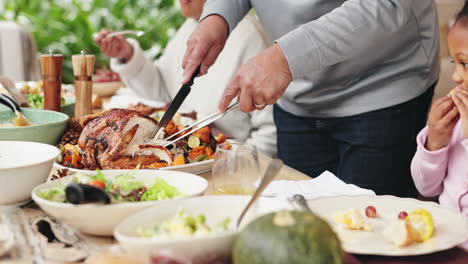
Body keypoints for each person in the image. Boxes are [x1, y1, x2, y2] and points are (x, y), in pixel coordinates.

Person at [181, 0, 439, 197]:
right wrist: (217, 15)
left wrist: (286, 57)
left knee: (372, 232)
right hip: (297, 94)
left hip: (384, 84)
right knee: (303, 225)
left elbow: (387, 6)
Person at [94, 0, 277, 157]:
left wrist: (232, 163)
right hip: (184, 152)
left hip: (225, 161)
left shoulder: (251, 37)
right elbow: (163, 89)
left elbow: (270, 133)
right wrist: (127, 55)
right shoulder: (191, 26)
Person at [411, 2, 468, 250]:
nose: (455, 77)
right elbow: (426, 186)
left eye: (465, 64)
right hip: (444, 245)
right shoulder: (455, 120)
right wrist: (435, 142)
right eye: (455, 63)